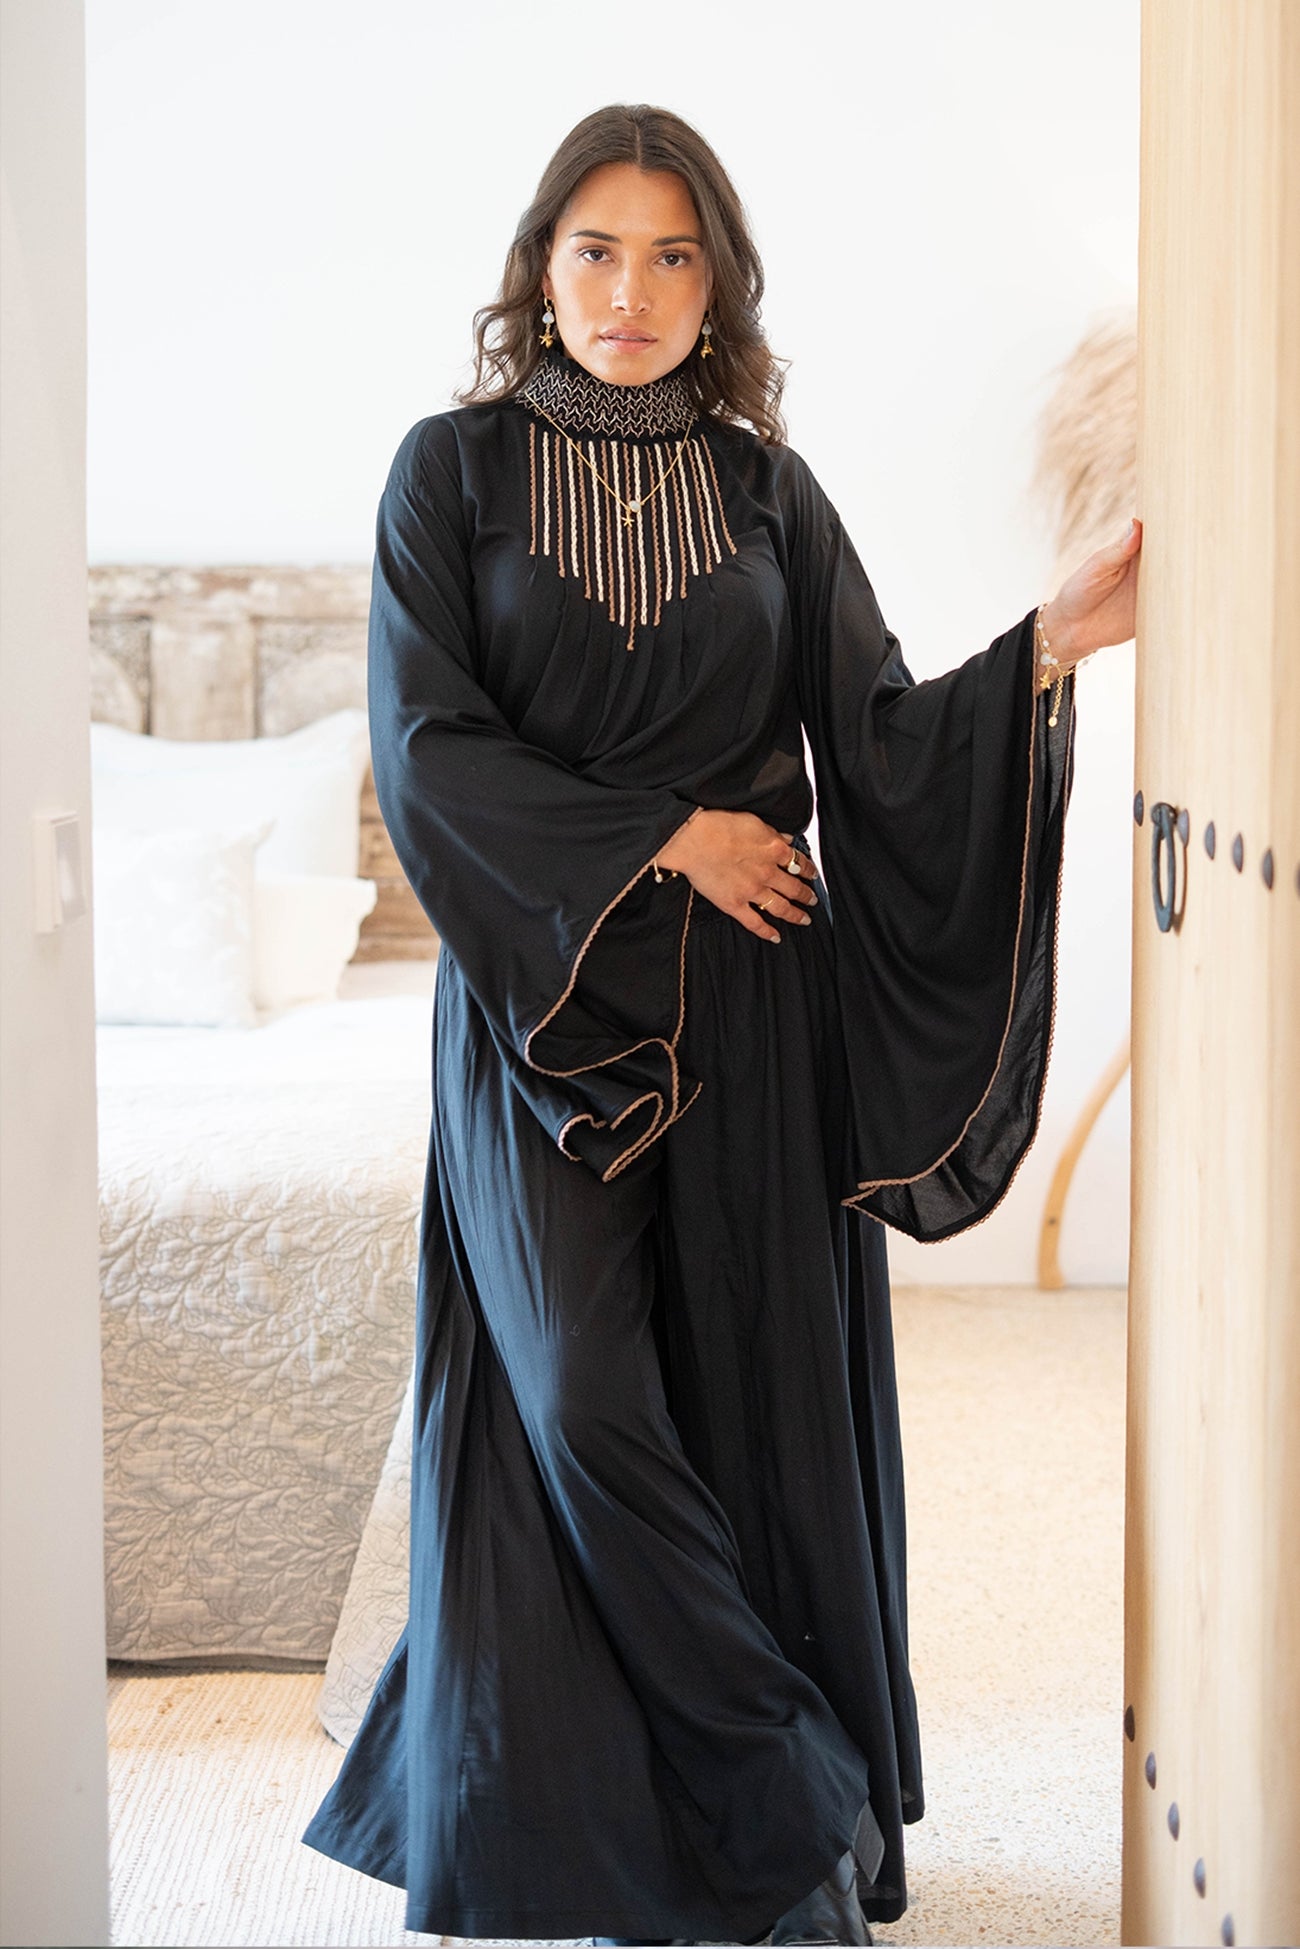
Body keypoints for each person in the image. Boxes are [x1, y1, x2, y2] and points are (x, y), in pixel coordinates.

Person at [300, 103, 1141, 1945]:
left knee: (743, 1417)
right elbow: (427, 752)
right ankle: (791, 1796)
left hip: (751, 1024)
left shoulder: (771, 492)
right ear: (542, 267)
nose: (633, 290)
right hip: (538, 1023)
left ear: (718, 284)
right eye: (598, 250)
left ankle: (719, 1868)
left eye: (673, 257)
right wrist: (670, 831)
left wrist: (1052, 642)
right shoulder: (448, 473)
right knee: (579, 1400)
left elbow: (882, 732)